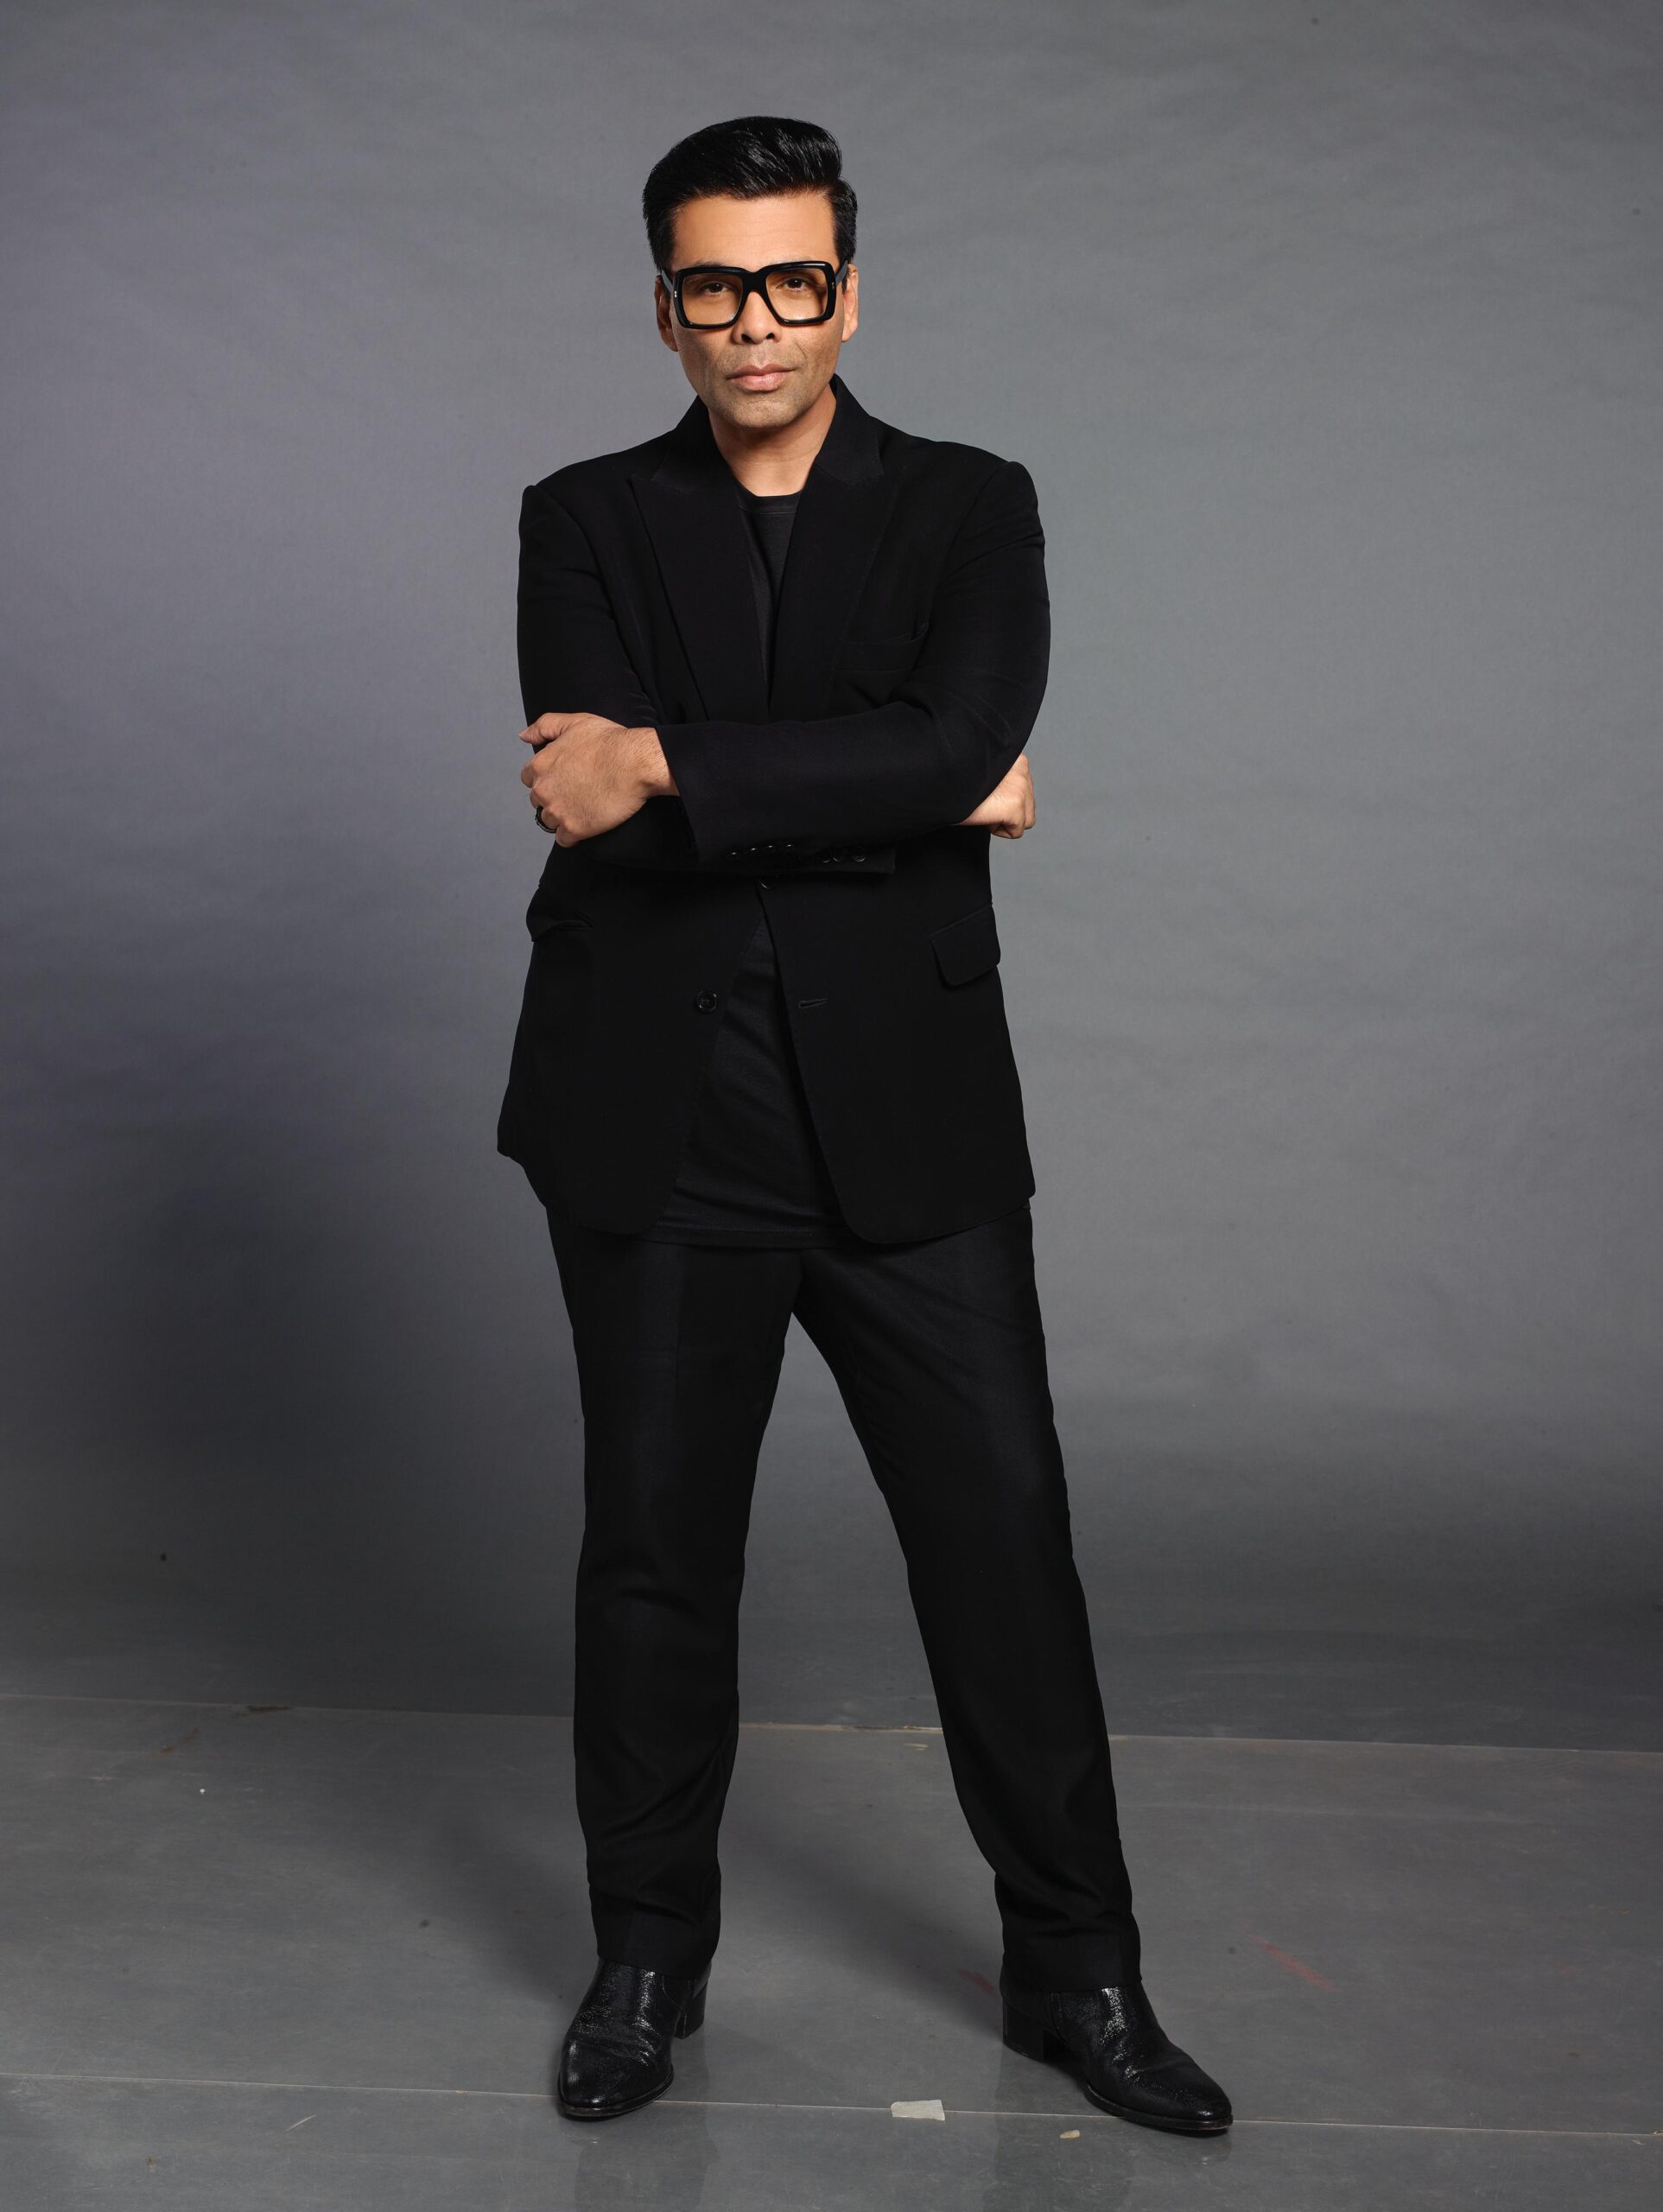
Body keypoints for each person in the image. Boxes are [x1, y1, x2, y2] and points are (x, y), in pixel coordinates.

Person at [498, 113, 1232, 2136]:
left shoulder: (970, 503)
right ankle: (647, 1959)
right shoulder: (583, 516)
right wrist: (915, 784)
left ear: (848, 292)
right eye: (715, 284)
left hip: (907, 1127)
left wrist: (692, 765)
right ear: (666, 306)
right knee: (656, 1560)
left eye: (794, 279)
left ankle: (1081, 1972)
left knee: (1005, 1551)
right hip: (657, 1122)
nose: (757, 320)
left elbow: (949, 730)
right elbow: (595, 796)